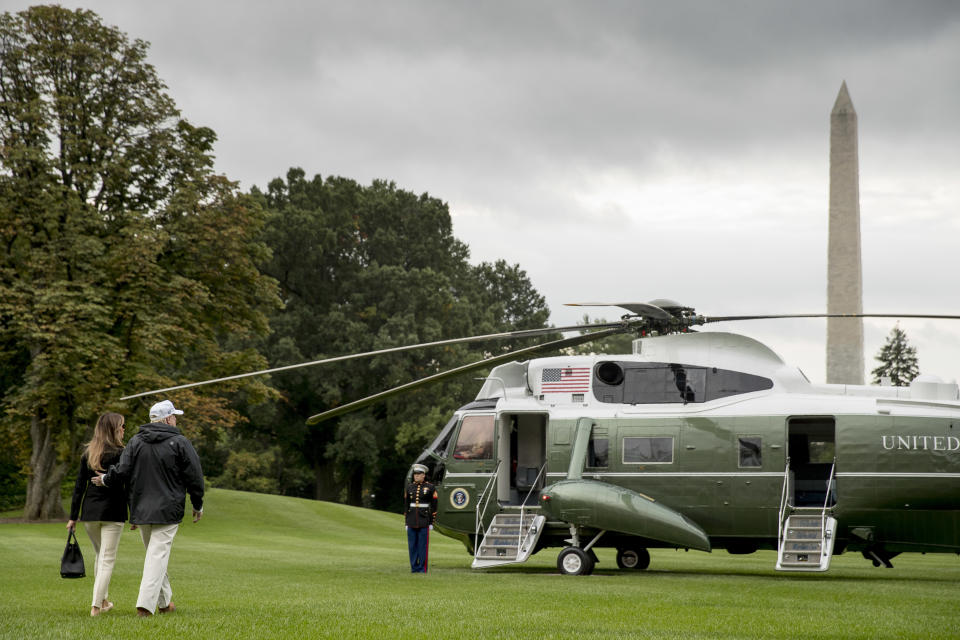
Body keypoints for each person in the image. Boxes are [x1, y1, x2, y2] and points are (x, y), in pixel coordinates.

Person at [92, 399, 204, 617]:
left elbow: (122, 470)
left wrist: (107, 479)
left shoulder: (135, 442)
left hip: (141, 509)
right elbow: (195, 476)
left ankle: (164, 604)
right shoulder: (180, 442)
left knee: (155, 554)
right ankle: (145, 604)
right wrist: (198, 504)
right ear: (168, 419)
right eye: (175, 416)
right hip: (168, 509)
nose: (176, 420)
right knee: (157, 555)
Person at [67, 412, 128, 617]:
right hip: (113, 512)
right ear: (114, 429)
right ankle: (96, 606)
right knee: (107, 558)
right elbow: (128, 485)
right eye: (122, 426)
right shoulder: (122, 453)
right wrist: (135, 513)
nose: (123, 429)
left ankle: (103, 601)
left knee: (100, 556)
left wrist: (73, 516)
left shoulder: (89, 452)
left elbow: (79, 487)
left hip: (90, 513)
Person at [403, 463, 437, 573]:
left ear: (423, 475)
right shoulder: (409, 487)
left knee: (422, 546)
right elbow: (406, 505)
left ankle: (422, 568)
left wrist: (431, 522)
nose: (416, 476)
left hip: (424, 520)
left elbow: (434, 505)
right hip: (412, 519)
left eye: (418, 474)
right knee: (412, 546)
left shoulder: (430, 487)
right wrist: (406, 522)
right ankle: (414, 567)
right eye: (415, 474)